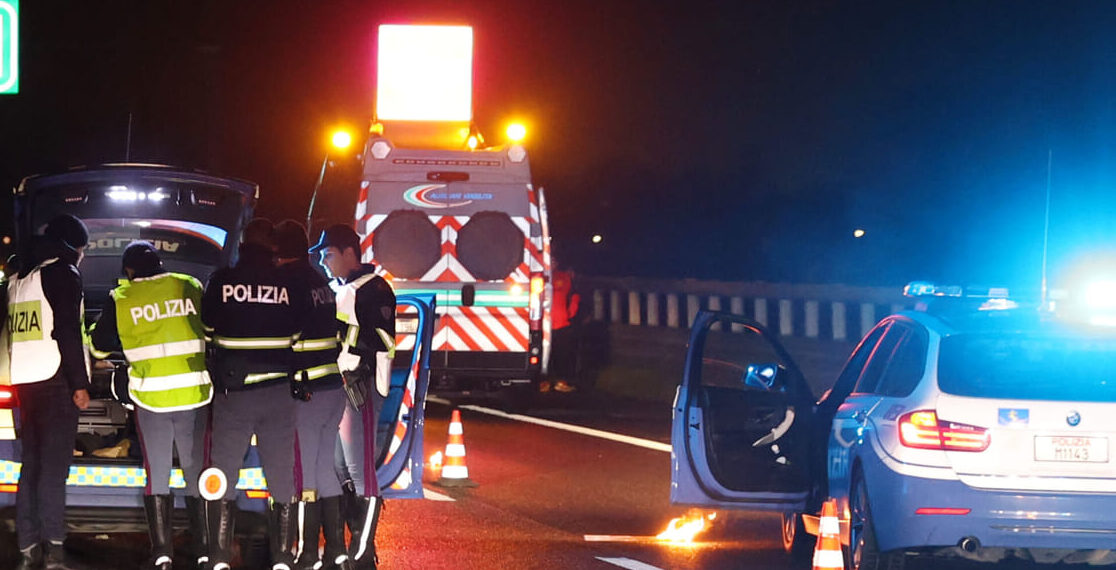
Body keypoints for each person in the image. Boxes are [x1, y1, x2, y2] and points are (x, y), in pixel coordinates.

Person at [89, 241, 212, 570]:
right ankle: (205, 551)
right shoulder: (190, 285)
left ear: (128, 272)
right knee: (193, 470)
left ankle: (162, 554)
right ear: (160, 263)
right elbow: (212, 330)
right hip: (194, 396)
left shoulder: (121, 298)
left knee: (157, 474)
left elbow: (100, 349)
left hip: (151, 398)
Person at [200, 219, 307, 570]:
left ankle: (217, 557)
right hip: (278, 391)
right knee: (281, 475)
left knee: (224, 472)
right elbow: (296, 334)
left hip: (235, 393)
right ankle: (282, 559)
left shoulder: (222, 281)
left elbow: (208, 328)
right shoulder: (289, 283)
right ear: (273, 247)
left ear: (243, 243)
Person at [7, 214, 91, 570]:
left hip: (23, 383)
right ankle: (54, 550)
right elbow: (67, 331)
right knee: (54, 471)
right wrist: (81, 384)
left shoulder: (18, 279)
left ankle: (27, 548)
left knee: (31, 468)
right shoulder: (62, 273)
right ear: (73, 245)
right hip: (56, 380)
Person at [309, 224, 395, 570]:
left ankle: (362, 555)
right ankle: (345, 551)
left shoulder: (375, 289)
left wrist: (339, 331)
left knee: (360, 472)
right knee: (337, 468)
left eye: (327, 254)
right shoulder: (339, 289)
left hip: (361, 386)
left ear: (348, 253)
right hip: (337, 386)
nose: (324, 261)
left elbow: (383, 341)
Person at [273, 220, 355, 570]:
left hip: (304, 391)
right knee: (323, 470)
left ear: (278, 252)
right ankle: (335, 549)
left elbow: (283, 338)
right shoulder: (319, 282)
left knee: (303, 475)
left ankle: (307, 552)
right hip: (331, 388)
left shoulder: (287, 285)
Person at [540, 259, 581, 393]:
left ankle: (561, 381)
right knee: (544, 355)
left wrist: (570, 313)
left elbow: (574, 295)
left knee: (562, 354)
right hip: (544, 324)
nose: (550, 264)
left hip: (561, 322)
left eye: (553, 261)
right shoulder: (539, 277)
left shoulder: (563, 277)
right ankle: (543, 382)